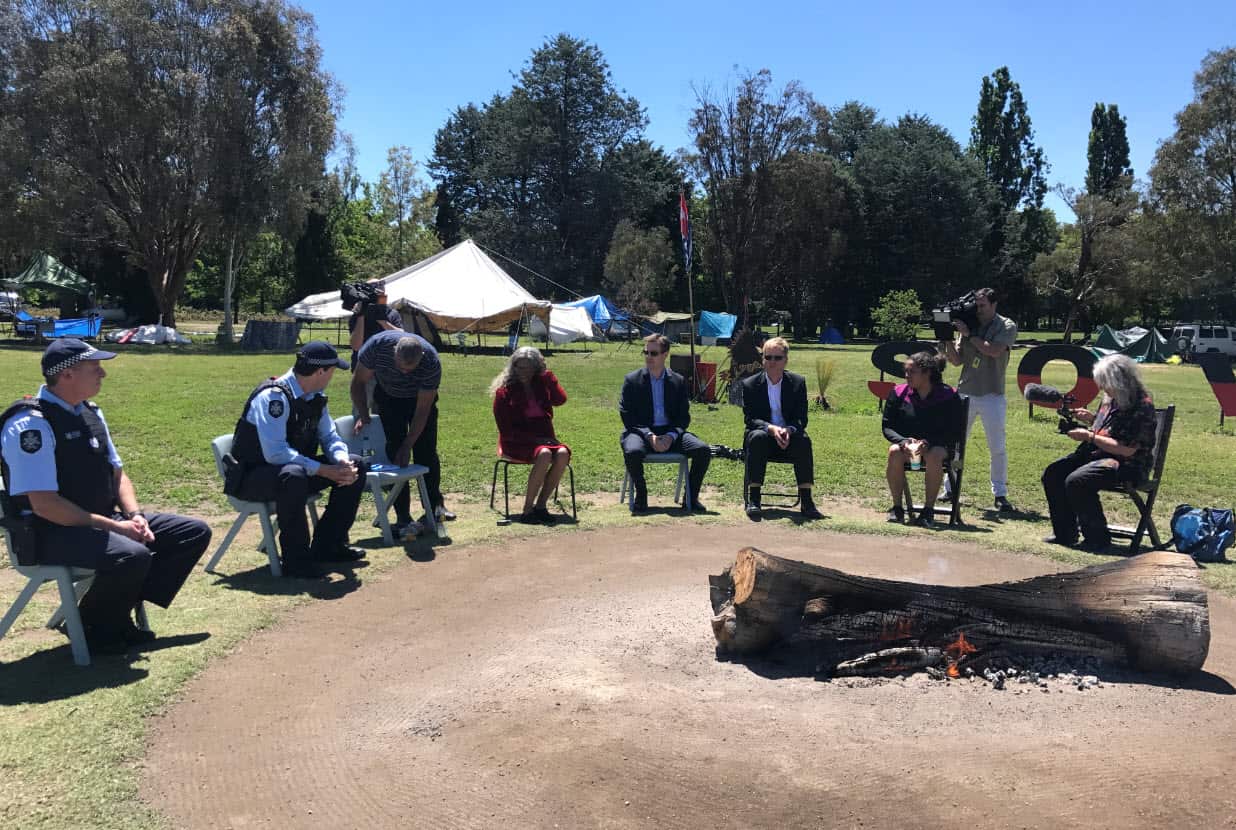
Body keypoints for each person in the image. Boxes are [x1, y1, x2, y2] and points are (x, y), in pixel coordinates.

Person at [0, 338, 211, 652]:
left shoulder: (90, 413)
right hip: (48, 532)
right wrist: (115, 527)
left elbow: (118, 474)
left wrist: (135, 516)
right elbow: (44, 505)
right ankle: (97, 628)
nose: (103, 374)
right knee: (131, 554)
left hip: (99, 522)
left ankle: (107, 614)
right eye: (94, 368)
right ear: (67, 374)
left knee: (191, 534)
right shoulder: (31, 425)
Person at [228, 341, 368, 578]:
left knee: (356, 465)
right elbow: (276, 454)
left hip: (295, 471)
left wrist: (341, 461)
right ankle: (296, 561)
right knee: (293, 476)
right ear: (320, 371)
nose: (333, 375)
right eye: (333, 370)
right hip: (253, 476)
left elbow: (329, 435)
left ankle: (328, 546)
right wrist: (323, 469)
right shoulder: (273, 398)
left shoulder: (315, 397)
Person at [1040, 354, 1157, 552]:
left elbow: (1126, 449)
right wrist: (1092, 419)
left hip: (1128, 464)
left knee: (1078, 480)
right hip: (1099, 455)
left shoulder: (1141, 407)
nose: (1102, 389)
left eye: (1105, 383)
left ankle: (1097, 538)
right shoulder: (1113, 399)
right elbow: (1110, 429)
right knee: (1054, 473)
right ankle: (1065, 534)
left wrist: (1090, 437)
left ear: (1119, 382)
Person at [351, 331, 452, 534]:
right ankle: (402, 515)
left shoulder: (431, 361)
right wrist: (364, 413)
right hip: (388, 398)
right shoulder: (376, 347)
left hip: (418, 400)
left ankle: (433, 509)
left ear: (421, 357)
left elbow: (423, 409)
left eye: (410, 369)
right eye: (401, 367)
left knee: (426, 453)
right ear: (393, 352)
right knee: (394, 454)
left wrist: (409, 444)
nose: (405, 372)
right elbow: (358, 383)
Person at [940, 287, 1017, 513]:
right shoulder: (968, 323)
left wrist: (969, 335)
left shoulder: (1006, 326)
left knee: (997, 447)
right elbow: (956, 360)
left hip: (992, 393)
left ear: (994, 305)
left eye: (983, 306)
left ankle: (1000, 494)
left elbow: (993, 350)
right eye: (977, 306)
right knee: (955, 445)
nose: (979, 310)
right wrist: (945, 339)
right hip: (965, 392)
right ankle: (950, 488)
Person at [618, 334, 711, 514]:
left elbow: (683, 417)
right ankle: (641, 495)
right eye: (646, 352)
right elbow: (628, 416)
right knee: (633, 451)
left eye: (654, 353)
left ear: (665, 354)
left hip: (670, 433)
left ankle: (691, 498)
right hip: (640, 432)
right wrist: (649, 436)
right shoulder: (632, 380)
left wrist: (670, 436)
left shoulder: (678, 381)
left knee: (703, 450)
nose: (648, 357)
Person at [741, 337, 823, 520]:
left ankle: (807, 501)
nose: (771, 362)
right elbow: (750, 419)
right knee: (756, 437)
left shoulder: (797, 382)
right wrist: (771, 429)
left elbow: (802, 418)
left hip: (789, 437)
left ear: (786, 360)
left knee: (803, 441)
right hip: (763, 436)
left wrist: (789, 430)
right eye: (767, 357)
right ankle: (754, 498)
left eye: (777, 358)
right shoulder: (750, 384)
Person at [881, 351, 965, 528]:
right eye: (906, 371)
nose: (907, 375)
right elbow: (887, 426)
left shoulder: (948, 395)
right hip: (908, 447)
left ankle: (928, 511)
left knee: (934, 455)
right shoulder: (898, 393)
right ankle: (897, 508)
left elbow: (955, 431)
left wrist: (927, 442)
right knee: (894, 451)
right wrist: (904, 442)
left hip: (938, 447)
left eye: (912, 372)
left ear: (927, 373)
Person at [491, 347, 571, 524]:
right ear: (513, 367)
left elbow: (560, 400)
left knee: (563, 453)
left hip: (545, 438)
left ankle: (541, 506)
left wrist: (547, 375)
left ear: (536, 368)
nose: (523, 372)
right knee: (544, 454)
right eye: (519, 367)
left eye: (528, 368)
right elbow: (506, 430)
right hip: (517, 441)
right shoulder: (504, 392)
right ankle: (527, 510)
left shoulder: (541, 384)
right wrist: (536, 440)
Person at [347, 282, 403, 416]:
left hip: (387, 371)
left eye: (383, 293)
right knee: (360, 412)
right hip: (363, 371)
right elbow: (356, 345)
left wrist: (383, 321)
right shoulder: (357, 315)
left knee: (386, 413)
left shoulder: (392, 314)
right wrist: (361, 317)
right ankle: (359, 437)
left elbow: (401, 337)